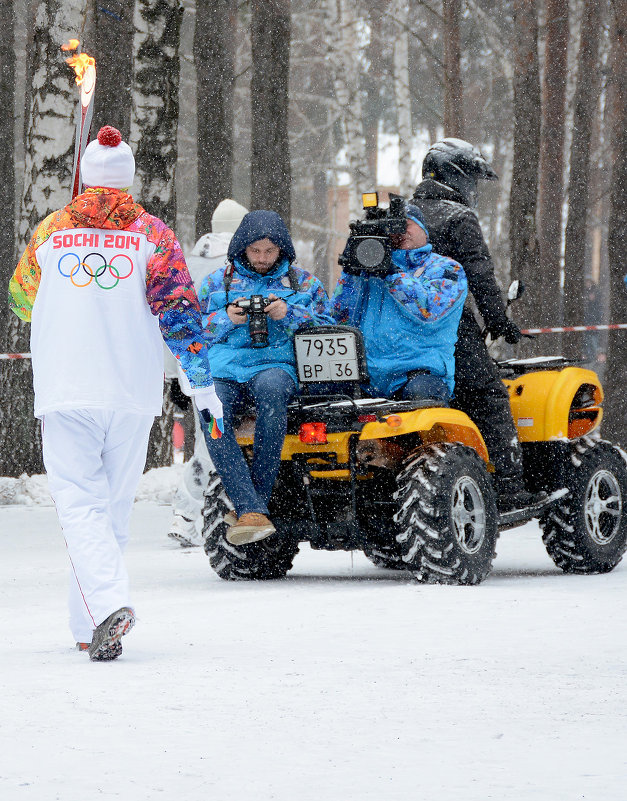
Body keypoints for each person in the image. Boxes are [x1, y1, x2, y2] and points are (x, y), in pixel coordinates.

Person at [8, 126, 223, 661]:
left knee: (80, 505)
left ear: (85, 175)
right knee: (112, 512)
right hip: (129, 389)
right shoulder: (153, 233)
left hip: (68, 387)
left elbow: (19, 301)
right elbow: (178, 311)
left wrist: (71, 290)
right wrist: (199, 377)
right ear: (127, 177)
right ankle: (90, 625)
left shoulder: (51, 231)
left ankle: (105, 605)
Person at [412, 137, 545, 512]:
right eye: (472, 178)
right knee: (488, 395)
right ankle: (507, 485)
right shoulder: (458, 218)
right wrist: (501, 322)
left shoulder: (401, 214)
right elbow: (480, 277)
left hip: (398, 337)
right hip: (450, 330)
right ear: (458, 177)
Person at [197, 209, 334, 545]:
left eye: (269, 252)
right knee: (211, 408)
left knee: (274, 392)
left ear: (282, 249)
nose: (261, 259)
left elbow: (330, 329)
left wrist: (289, 313)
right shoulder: (218, 282)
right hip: (225, 368)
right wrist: (228, 318)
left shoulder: (304, 283)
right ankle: (253, 506)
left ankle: (249, 505)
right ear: (241, 248)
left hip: (276, 365)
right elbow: (192, 331)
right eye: (254, 251)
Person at [165, 199, 249, 547]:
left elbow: (173, 320)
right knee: (211, 443)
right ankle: (186, 516)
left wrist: (172, 375)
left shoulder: (188, 262)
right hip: (231, 366)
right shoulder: (245, 264)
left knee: (210, 438)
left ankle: (192, 515)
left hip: (195, 366)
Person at [332, 203, 467, 402]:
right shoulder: (368, 273)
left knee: (419, 401)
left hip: (418, 374)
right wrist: (351, 271)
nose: (400, 233)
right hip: (365, 376)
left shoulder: (446, 268)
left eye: (407, 225)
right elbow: (339, 317)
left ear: (424, 229)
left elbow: (430, 310)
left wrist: (392, 272)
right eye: (393, 228)